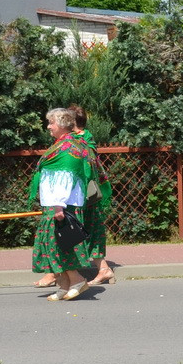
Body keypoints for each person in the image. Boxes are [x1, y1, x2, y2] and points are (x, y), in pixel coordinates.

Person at [30, 109, 96, 301]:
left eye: (51, 122)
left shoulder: (68, 147)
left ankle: (78, 280)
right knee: (53, 245)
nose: (48, 126)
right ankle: (64, 285)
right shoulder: (62, 144)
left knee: (61, 245)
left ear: (61, 123)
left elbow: (66, 176)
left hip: (62, 205)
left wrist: (59, 205)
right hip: (55, 203)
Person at [68, 104, 115, 286]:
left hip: (80, 194)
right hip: (86, 193)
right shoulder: (87, 139)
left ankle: (59, 274)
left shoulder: (78, 141)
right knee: (90, 229)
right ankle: (103, 269)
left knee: (73, 229)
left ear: (71, 122)